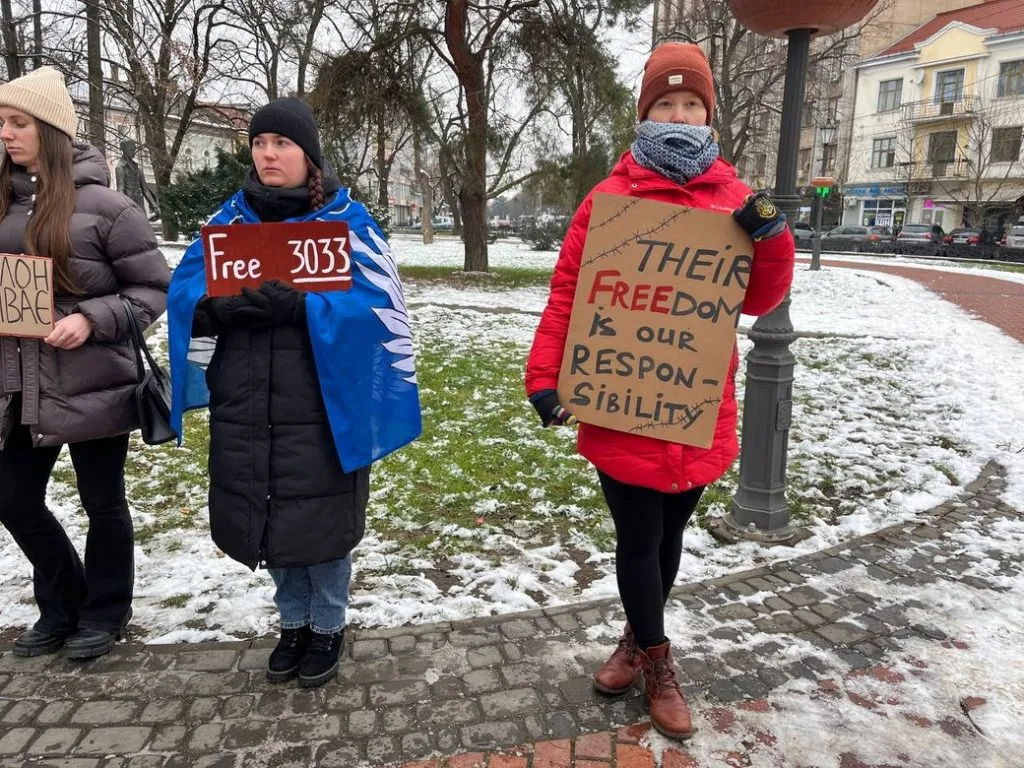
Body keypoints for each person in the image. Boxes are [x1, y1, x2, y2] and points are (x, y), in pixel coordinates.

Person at [525, 43, 795, 739]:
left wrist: (773, 238)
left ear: (710, 113)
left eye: (691, 104)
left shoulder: (736, 199)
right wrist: (546, 378)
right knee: (638, 537)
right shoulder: (610, 200)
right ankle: (662, 663)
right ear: (645, 111)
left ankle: (632, 643)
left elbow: (762, 298)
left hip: (693, 400)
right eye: (666, 103)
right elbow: (567, 294)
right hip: (623, 403)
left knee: (669, 536)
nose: (679, 114)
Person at [167, 97, 421, 689]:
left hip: (323, 409)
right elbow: (182, 296)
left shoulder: (348, 224)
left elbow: (380, 311)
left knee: (321, 522)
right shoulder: (227, 224)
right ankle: (292, 624)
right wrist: (215, 307)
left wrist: (307, 306)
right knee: (269, 517)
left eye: (281, 143)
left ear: (309, 155)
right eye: (260, 144)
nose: (268, 154)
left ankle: (327, 625)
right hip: (249, 405)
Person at [0, 67, 171, 659]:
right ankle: (63, 602)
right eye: (1, 123)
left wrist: (90, 319)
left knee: (103, 502)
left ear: (51, 130)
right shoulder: (3, 204)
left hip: (93, 380)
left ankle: (104, 613)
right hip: (19, 382)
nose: (6, 134)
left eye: (18, 122)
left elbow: (152, 290)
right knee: (13, 499)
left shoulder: (108, 206)